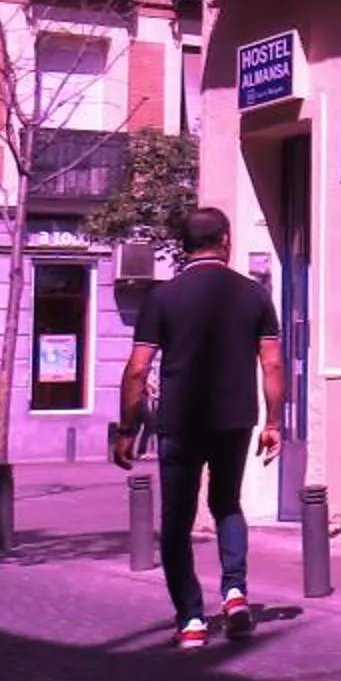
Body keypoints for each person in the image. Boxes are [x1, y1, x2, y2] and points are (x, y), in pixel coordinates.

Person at [116, 207, 284, 651]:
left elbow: (137, 371)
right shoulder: (254, 296)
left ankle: (191, 619)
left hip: (180, 421)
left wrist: (126, 428)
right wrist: (275, 422)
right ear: (225, 241)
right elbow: (272, 362)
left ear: (183, 245)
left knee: (177, 521)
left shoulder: (163, 298)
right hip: (235, 418)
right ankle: (234, 593)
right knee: (227, 503)